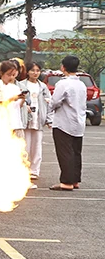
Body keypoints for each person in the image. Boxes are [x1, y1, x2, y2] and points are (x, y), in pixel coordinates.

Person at [50, 55, 85, 191]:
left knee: (65, 152)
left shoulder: (63, 84)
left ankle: (66, 182)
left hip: (64, 123)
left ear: (63, 67)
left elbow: (54, 102)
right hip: (79, 122)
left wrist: (50, 104)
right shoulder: (81, 84)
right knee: (76, 152)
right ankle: (75, 179)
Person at [18, 61, 52, 188]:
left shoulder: (43, 86)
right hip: (26, 120)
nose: (35, 73)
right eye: (32, 70)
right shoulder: (21, 85)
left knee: (37, 146)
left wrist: (49, 120)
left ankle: (34, 171)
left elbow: (49, 103)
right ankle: (24, 169)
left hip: (38, 119)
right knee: (25, 146)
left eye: (37, 70)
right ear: (27, 72)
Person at [0, 60, 27, 137]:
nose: (11, 77)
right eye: (8, 75)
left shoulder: (15, 87)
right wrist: (12, 99)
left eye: (13, 75)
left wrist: (22, 98)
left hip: (17, 123)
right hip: (4, 125)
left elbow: (18, 106)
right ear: (2, 73)